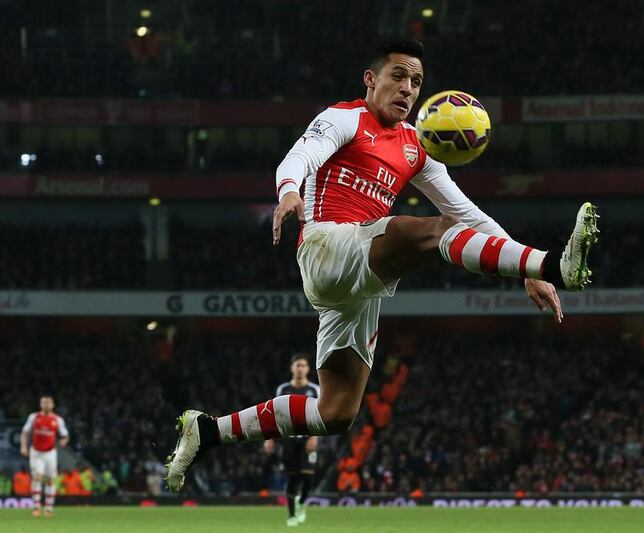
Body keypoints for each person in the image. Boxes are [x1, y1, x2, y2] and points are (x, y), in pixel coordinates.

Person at [165, 37, 599, 492]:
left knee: (335, 413)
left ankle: (208, 431)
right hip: (326, 248)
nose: (408, 88)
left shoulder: (418, 145)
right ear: (371, 80)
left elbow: (469, 213)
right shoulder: (344, 118)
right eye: (398, 76)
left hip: (359, 277)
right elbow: (299, 156)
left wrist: (521, 268)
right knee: (432, 231)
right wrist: (289, 189)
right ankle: (558, 266)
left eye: (416, 81)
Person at [263, 354, 320, 527]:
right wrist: (271, 439)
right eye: (298, 365)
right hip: (288, 440)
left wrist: (314, 437)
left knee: (308, 478)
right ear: (292, 368)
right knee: (293, 479)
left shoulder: (314, 390)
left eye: (303, 365)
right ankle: (292, 516)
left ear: (308, 369)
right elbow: (276, 415)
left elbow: (318, 415)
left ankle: (301, 502)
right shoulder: (283, 389)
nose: (300, 368)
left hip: (306, 439)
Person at [20, 395, 69, 517]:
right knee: (37, 477)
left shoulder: (58, 420)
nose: (46, 405)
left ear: (52, 405)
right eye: (43, 403)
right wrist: (23, 446)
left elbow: (65, 435)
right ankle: (36, 507)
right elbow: (25, 433)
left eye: (48, 403)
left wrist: (64, 441)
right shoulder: (34, 417)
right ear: (40, 404)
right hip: (36, 452)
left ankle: (48, 508)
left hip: (50, 453)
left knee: (50, 480)